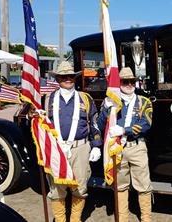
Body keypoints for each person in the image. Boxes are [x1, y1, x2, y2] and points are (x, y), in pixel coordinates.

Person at [46, 61, 102, 222]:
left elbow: (94, 123)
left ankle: (75, 220)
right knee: (57, 189)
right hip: (56, 149)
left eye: (70, 76)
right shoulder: (48, 99)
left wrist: (96, 145)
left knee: (80, 186)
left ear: (75, 78)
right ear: (57, 79)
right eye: (63, 76)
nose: (67, 79)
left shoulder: (85, 98)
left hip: (80, 148)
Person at [98, 67, 153, 222]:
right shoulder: (110, 101)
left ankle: (146, 218)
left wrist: (124, 130)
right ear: (118, 83)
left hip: (137, 147)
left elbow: (146, 124)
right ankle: (123, 219)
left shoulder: (144, 102)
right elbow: (100, 125)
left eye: (132, 81)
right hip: (117, 149)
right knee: (121, 187)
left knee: (143, 186)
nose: (129, 84)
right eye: (125, 81)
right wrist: (106, 110)